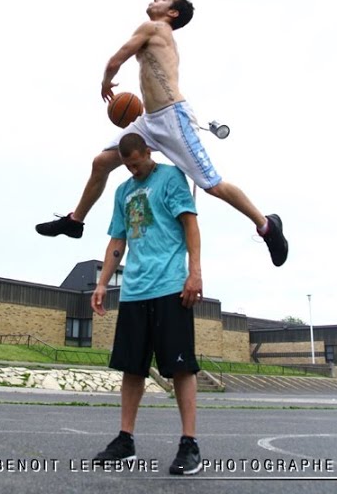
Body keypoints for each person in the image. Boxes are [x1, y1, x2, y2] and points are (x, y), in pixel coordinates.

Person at [36, 0, 289, 267]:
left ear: (172, 13)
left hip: (172, 119)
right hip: (149, 120)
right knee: (101, 162)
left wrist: (106, 82)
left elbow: (115, 60)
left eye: (163, 0)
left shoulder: (155, 27)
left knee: (213, 186)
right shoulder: (160, 33)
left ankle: (267, 226)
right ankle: (75, 222)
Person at [90, 133, 204, 475]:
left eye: (137, 163)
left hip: (170, 285)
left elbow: (190, 223)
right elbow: (117, 239)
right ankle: (125, 440)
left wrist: (194, 272)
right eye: (127, 165)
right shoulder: (122, 191)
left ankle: (189, 444)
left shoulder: (170, 177)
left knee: (182, 367)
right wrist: (102, 282)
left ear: (148, 151)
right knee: (132, 367)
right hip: (135, 290)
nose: (133, 169)